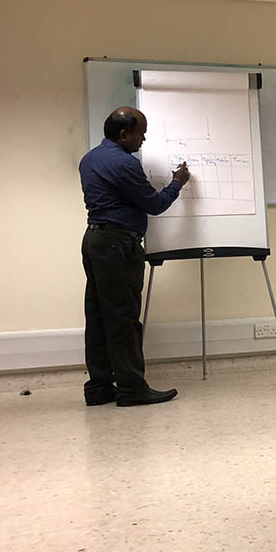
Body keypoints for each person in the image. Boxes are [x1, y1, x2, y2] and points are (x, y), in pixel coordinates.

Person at [79, 107, 190, 407]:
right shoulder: (124, 163)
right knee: (123, 318)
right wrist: (177, 182)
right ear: (123, 134)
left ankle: (99, 387)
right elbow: (154, 204)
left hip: (94, 241)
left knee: (98, 316)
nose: (143, 139)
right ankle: (131, 389)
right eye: (141, 133)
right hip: (117, 244)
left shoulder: (89, 159)